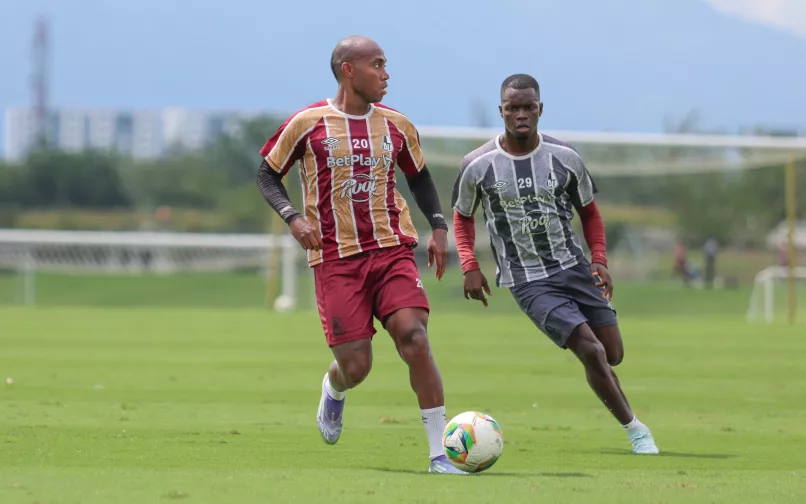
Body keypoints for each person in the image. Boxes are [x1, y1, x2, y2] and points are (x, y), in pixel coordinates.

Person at [256, 35, 464, 474]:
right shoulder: (308, 123)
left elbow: (420, 178)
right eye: (378, 65)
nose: (386, 74)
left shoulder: (397, 125)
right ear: (349, 70)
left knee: (415, 337)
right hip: (336, 260)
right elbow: (267, 174)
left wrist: (439, 227)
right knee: (357, 365)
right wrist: (294, 218)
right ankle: (335, 386)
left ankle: (439, 454)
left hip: (391, 249)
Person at [450, 73, 659, 455]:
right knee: (591, 350)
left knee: (612, 353)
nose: (521, 114)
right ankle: (636, 430)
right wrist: (469, 264)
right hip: (528, 280)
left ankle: (613, 395)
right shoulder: (477, 164)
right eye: (513, 108)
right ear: (502, 111)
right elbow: (462, 217)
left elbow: (590, 213)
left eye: (528, 106)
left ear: (540, 109)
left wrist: (599, 260)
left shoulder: (565, 157)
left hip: (574, 268)